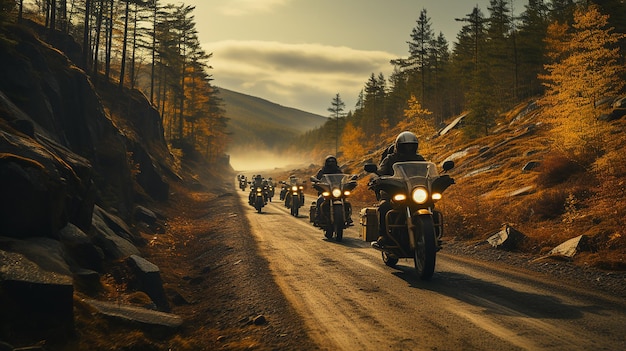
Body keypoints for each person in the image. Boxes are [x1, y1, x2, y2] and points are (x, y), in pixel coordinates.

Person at [372, 131, 425, 249]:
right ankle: (383, 236)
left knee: (430, 203)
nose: (408, 148)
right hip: (392, 191)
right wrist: (377, 177)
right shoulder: (390, 159)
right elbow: (381, 172)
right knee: (384, 206)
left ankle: (430, 233)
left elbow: (426, 172)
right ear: (398, 146)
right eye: (405, 146)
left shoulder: (419, 158)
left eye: (411, 145)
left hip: (413, 191)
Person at [314, 155, 353, 225]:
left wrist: (348, 182)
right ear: (326, 162)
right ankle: (318, 217)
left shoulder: (338, 170)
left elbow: (343, 179)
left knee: (345, 201)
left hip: (337, 190)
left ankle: (348, 217)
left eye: (332, 161)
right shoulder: (322, 171)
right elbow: (317, 179)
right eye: (329, 161)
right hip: (326, 190)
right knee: (320, 200)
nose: (331, 163)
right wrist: (317, 182)